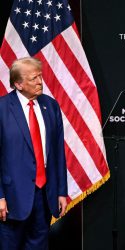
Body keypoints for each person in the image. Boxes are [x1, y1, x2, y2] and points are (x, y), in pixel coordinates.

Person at [0, 57, 68, 250]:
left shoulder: (51, 106)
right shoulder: (2, 108)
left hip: (44, 195)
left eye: (40, 77)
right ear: (18, 84)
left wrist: (61, 190)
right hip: (12, 198)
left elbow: (57, 154)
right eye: (33, 79)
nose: (40, 82)